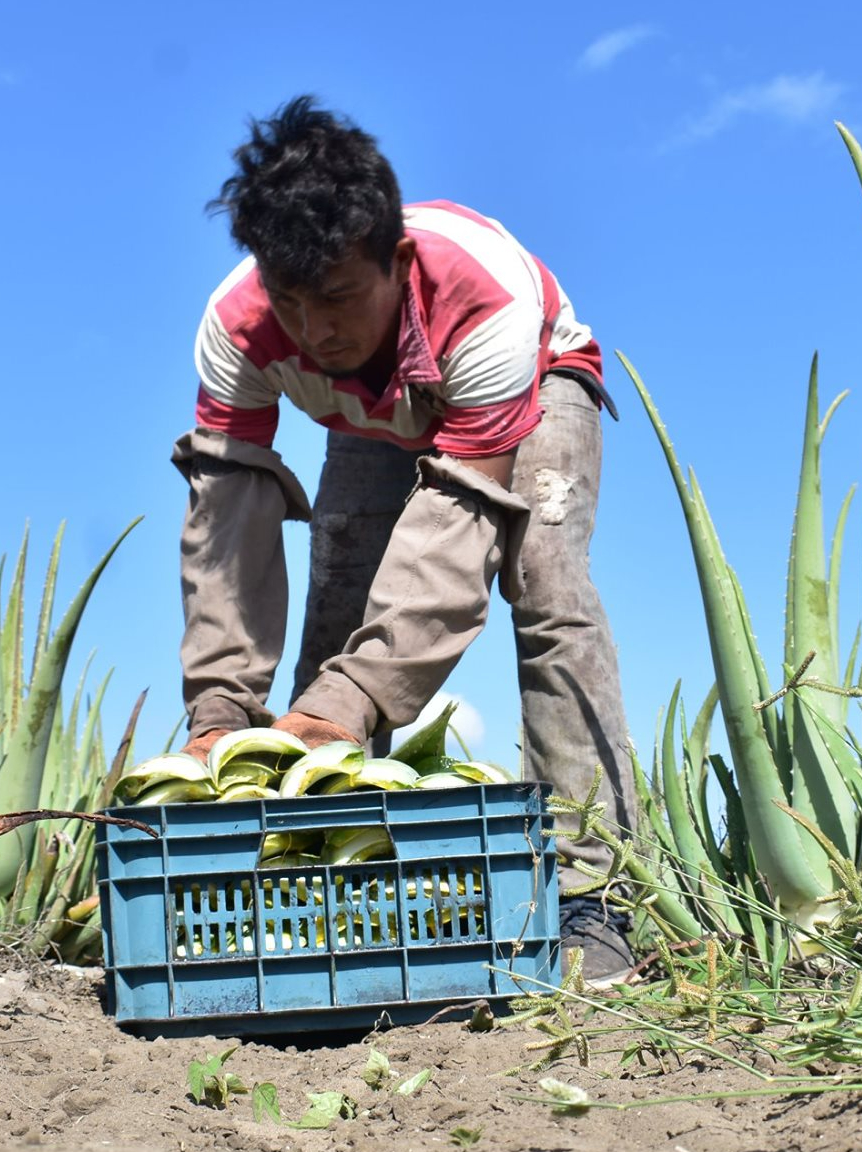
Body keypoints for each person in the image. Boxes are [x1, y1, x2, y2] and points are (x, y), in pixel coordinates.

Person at [170, 95, 636, 979]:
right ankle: (319, 886)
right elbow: (227, 527)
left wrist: (354, 701)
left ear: (397, 261)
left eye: (338, 298)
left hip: (528, 386)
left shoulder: (484, 300)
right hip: (372, 416)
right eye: (290, 301)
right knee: (338, 608)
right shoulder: (237, 325)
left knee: (546, 585)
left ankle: (590, 892)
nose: (314, 331)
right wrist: (222, 712)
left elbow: (457, 530)